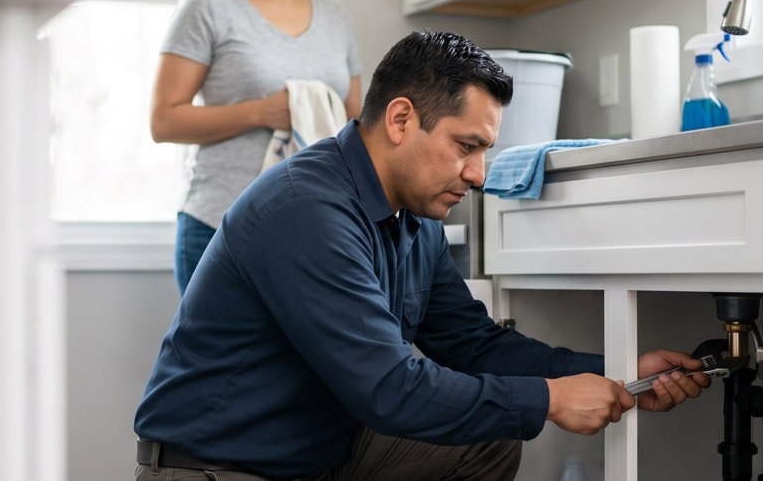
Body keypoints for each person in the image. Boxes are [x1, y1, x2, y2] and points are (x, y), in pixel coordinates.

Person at [133, 31, 711, 480]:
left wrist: (612, 367)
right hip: (216, 470)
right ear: (402, 118)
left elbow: (473, 345)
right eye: (467, 146)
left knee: (486, 437)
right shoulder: (306, 210)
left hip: (317, 459)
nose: (479, 174)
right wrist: (551, 397)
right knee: (508, 412)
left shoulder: (414, 216)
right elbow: (389, 389)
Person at [150, 0, 362, 295]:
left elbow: (357, 127)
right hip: (218, 225)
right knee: (222, 364)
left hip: (313, 230)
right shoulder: (208, 6)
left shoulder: (337, 20)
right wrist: (263, 112)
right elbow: (164, 121)